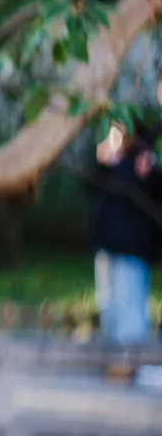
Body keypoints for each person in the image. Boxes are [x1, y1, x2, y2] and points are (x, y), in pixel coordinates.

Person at [86, 119, 159, 345]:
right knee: (109, 310)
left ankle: (134, 358)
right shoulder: (108, 164)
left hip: (132, 250)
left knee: (130, 313)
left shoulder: (144, 161)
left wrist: (149, 171)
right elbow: (89, 188)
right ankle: (114, 359)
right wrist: (102, 162)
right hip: (107, 248)